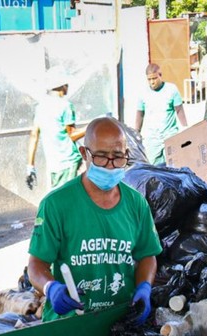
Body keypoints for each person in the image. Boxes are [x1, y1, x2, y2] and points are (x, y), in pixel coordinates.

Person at [28, 116, 162, 323]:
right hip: (69, 322)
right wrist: (51, 288)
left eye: (117, 156)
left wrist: (144, 287)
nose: (110, 165)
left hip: (118, 320)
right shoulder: (56, 204)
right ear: (84, 153)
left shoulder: (137, 204)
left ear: (127, 154)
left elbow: (147, 255)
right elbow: (36, 265)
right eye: (101, 156)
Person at [26, 73, 85, 191]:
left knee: (60, 198)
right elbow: (72, 134)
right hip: (68, 162)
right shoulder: (66, 106)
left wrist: (30, 166)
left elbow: (34, 136)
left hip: (53, 164)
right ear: (62, 86)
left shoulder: (41, 107)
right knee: (67, 200)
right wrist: (93, 125)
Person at [134, 63, 188, 165]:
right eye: (149, 80)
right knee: (153, 167)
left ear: (160, 75)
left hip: (169, 135)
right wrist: (136, 133)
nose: (152, 82)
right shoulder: (143, 93)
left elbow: (179, 110)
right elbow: (140, 114)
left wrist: (185, 127)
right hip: (152, 138)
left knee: (173, 165)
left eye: (154, 78)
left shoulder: (171, 89)